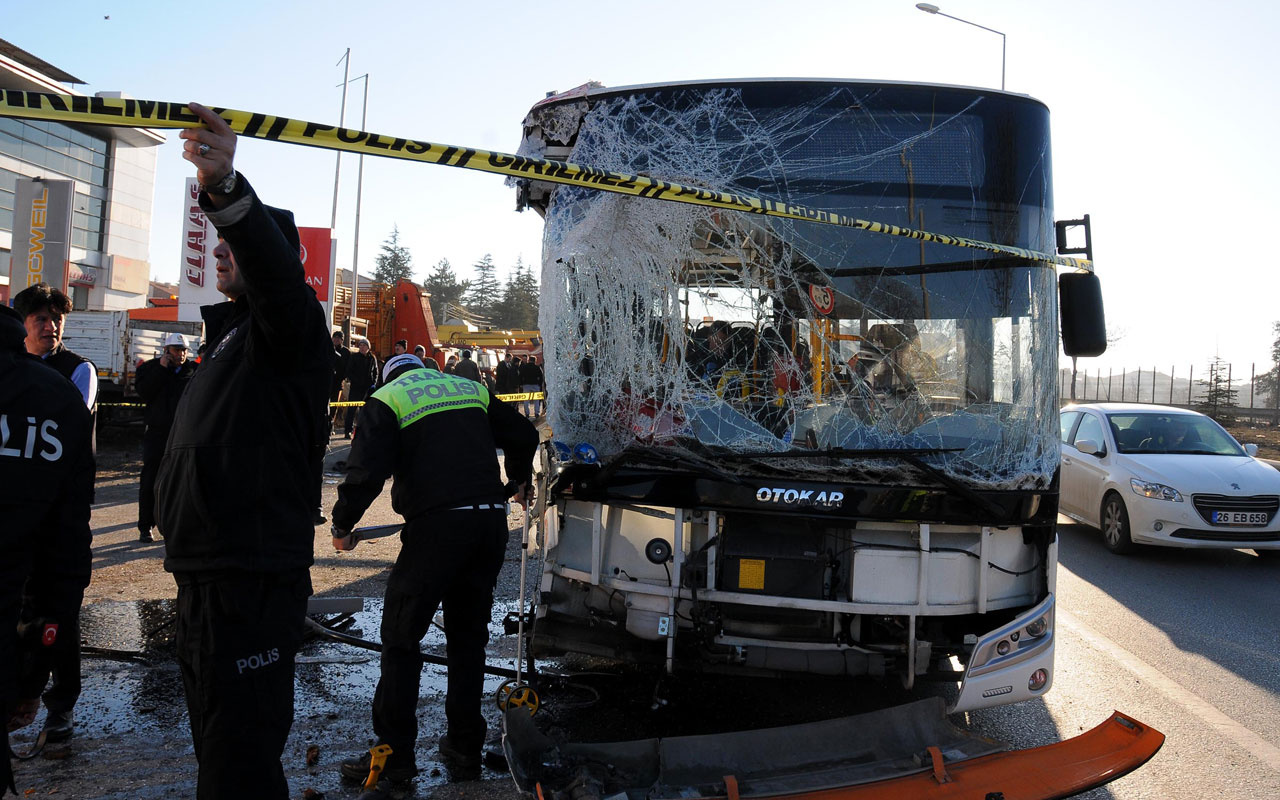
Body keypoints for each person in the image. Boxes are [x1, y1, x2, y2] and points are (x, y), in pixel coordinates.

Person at [153, 101, 331, 798]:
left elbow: (277, 277)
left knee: (240, 763)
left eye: (236, 242)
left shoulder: (289, 333)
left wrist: (226, 191)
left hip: (252, 580)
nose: (221, 248)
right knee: (217, 752)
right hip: (205, 575)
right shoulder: (225, 340)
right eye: (217, 241)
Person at [331, 353, 538, 789]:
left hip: (437, 531)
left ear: (389, 375)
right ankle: (464, 746)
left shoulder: (387, 398)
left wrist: (343, 525)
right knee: (467, 639)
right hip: (487, 524)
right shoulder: (469, 388)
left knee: (402, 640)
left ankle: (395, 756)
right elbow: (523, 432)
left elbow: (365, 469)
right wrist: (519, 479)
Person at [0, 304, 93, 794]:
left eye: (56, 317)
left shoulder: (71, 379)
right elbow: (67, 548)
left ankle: (61, 708)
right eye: (40, 317)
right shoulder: (55, 395)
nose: (50, 325)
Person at [134, 332, 196, 543]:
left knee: (182, 480)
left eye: (184, 350)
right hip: (157, 432)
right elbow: (144, 392)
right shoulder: (150, 369)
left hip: (183, 433)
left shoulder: (193, 371)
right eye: (177, 350)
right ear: (166, 351)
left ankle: (177, 525)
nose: (181, 354)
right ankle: (145, 526)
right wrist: (161, 369)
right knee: (150, 479)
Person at [344, 338, 379, 438]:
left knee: (366, 411)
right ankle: (348, 431)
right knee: (351, 410)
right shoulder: (354, 357)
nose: (362, 347)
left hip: (367, 389)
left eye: (364, 345)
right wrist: (355, 381)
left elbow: (376, 372)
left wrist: (373, 383)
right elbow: (349, 371)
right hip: (355, 388)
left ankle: (364, 430)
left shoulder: (372, 358)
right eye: (361, 345)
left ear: (368, 347)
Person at [329, 331, 351, 431]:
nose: (336, 339)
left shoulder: (346, 352)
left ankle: (331, 424)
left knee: (334, 404)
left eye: (339, 338)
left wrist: (343, 377)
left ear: (342, 340)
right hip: (326, 381)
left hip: (338, 382)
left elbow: (347, 367)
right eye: (335, 337)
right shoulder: (327, 348)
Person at [520, 354, 545, 418]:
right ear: (535, 361)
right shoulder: (537, 367)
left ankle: (527, 413)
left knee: (526, 400)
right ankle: (536, 413)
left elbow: (520, 376)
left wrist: (521, 384)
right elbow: (541, 376)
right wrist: (539, 384)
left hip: (526, 385)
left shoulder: (524, 367)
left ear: (529, 360)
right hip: (535, 385)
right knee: (536, 400)